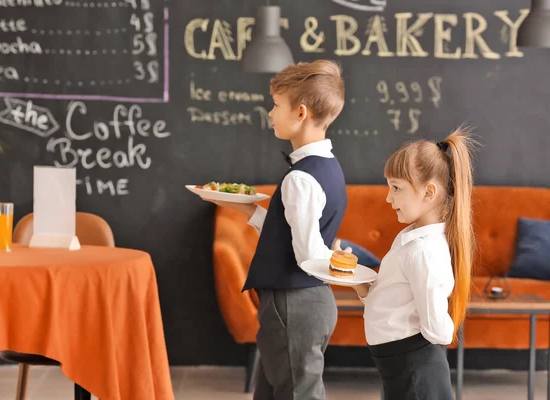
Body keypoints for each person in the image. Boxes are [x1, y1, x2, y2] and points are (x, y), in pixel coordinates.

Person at [204, 60, 347, 399]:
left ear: (300, 112)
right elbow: (293, 232)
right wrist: (249, 210)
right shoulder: (328, 166)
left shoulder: (300, 179)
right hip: (306, 302)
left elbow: (307, 254)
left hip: (292, 304)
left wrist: (338, 261)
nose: (270, 113)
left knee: (298, 394)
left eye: (276, 105)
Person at [352, 128, 476, 400]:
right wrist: (363, 287)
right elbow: (397, 302)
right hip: (400, 366)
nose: (388, 197)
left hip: (415, 370)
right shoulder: (410, 239)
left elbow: (437, 330)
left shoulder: (423, 251)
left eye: (396, 187)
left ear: (428, 192)